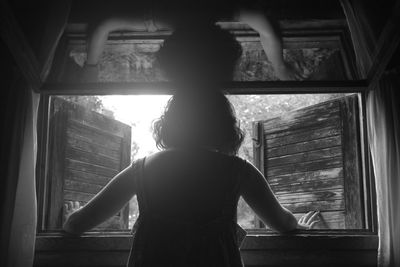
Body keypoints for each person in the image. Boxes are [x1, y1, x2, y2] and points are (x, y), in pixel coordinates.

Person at [63, 23, 319, 266]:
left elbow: (77, 224)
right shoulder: (238, 171)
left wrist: (71, 216)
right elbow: (283, 222)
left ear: (171, 124)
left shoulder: (143, 169)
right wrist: (301, 224)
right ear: (223, 126)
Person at [79, 1, 305, 82]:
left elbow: (264, 27)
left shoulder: (220, 7)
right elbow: (104, 25)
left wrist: (280, 67)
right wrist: (91, 66)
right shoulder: (160, 15)